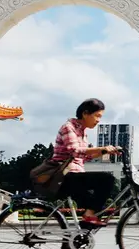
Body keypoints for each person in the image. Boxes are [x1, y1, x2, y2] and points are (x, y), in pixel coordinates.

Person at [50, 98, 120, 229]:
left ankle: (77, 243)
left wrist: (105, 152)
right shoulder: (68, 127)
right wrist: (102, 148)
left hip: (75, 175)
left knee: (96, 207)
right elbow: (75, 151)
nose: (98, 120)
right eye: (97, 116)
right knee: (107, 179)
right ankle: (88, 218)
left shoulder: (82, 132)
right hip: (63, 176)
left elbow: (84, 157)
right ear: (85, 113)